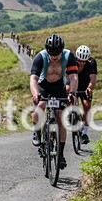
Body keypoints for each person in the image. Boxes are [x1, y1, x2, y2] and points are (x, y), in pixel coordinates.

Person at [30, 33, 78, 169]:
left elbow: (73, 77)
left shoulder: (69, 56)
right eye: (52, 54)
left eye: (57, 54)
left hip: (59, 87)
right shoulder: (40, 57)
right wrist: (36, 94)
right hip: (43, 85)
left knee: (61, 118)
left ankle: (60, 154)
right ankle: (37, 131)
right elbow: (33, 78)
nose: (54, 57)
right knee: (40, 105)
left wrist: (72, 93)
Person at [74, 45, 97, 144]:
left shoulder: (92, 62)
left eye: (84, 61)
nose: (82, 63)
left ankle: (85, 133)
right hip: (74, 85)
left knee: (87, 106)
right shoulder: (72, 61)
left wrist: (89, 88)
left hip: (85, 87)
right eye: (80, 60)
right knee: (69, 100)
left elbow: (93, 78)